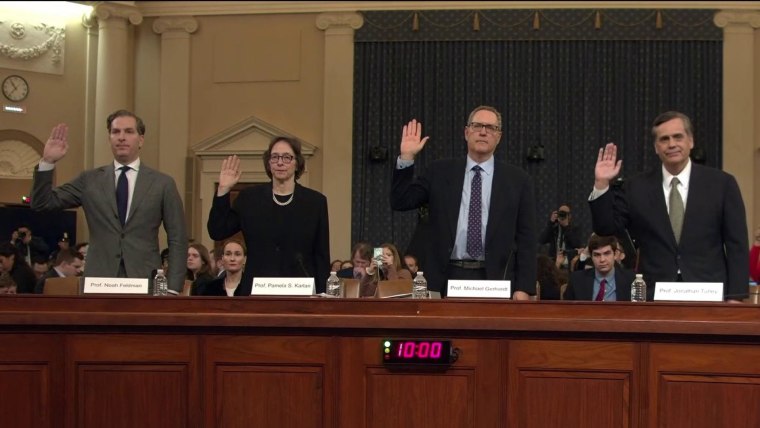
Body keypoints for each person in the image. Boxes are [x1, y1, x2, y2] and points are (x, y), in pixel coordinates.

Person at [590, 111, 748, 302]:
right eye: (664, 139)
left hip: (709, 294)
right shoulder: (635, 187)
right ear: (656, 147)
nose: (671, 144)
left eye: (678, 137)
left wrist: (736, 296)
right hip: (655, 295)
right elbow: (605, 227)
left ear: (690, 141)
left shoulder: (722, 184)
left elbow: (737, 244)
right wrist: (601, 184)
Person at [30, 110, 188, 293]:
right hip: (98, 281)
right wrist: (48, 162)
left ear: (141, 140)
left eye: (129, 131)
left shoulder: (162, 184)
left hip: (144, 281)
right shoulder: (89, 180)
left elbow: (178, 238)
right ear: (109, 139)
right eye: (115, 132)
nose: (121, 137)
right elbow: (42, 203)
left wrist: (173, 288)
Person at [390, 105, 537, 299]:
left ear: (499, 137)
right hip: (444, 277)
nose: (483, 132)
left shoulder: (518, 180)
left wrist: (524, 288)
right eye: (477, 126)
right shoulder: (439, 172)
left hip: (495, 278)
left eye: (490, 128)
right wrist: (407, 157)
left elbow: (527, 239)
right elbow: (400, 201)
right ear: (466, 132)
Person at [208, 136, 330, 295]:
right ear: (268, 163)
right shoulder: (249, 199)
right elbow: (217, 230)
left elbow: (321, 254)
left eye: (287, 157)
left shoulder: (315, 202)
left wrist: (322, 295)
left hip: (301, 292)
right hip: (256, 291)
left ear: (297, 163)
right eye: (275, 157)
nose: (280, 162)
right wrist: (223, 190)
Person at [565, 235, 636, 301]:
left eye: (607, 253)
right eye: (597, 255)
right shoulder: (577, 280)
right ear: (591, 257)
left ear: (615, 254)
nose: (602, 260)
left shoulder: (631, 279)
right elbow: (566, 308)